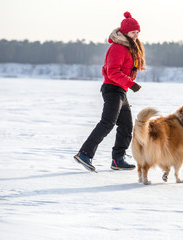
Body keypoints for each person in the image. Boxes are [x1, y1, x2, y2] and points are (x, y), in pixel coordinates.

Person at [74, 11, 146, 172]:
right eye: (133, 32)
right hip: (112, 89)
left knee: (126, 126)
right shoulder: (118, 48)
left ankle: (118, 159)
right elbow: (112, 71)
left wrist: (128, 83)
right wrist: (131, 83)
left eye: (137, 32)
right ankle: (84, 153)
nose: (136, 35)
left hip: (121, 90)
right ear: (125, 32)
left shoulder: (129, 48)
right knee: (107, 122)